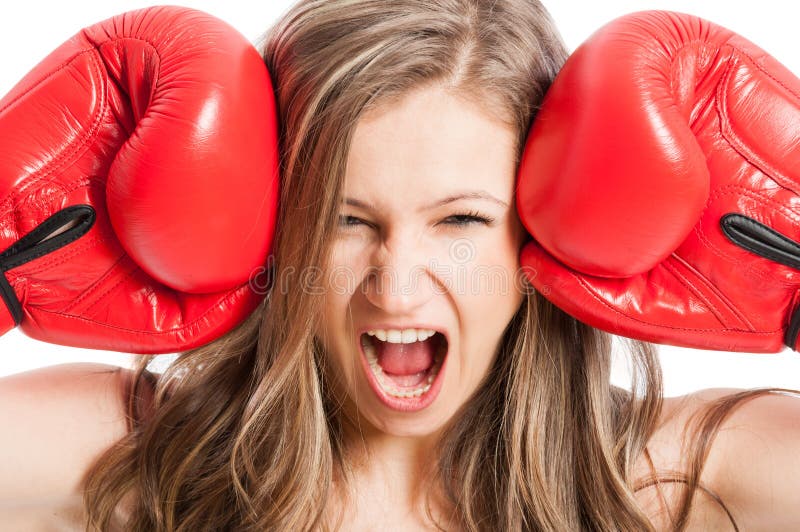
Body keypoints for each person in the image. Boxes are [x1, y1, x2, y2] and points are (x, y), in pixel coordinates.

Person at [1, 1, 800, 530]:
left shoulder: (677, 477)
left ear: (547, 235)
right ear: (269, 227)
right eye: (346, 219)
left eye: (460, 219)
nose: (397, 282)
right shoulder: (141, 455)